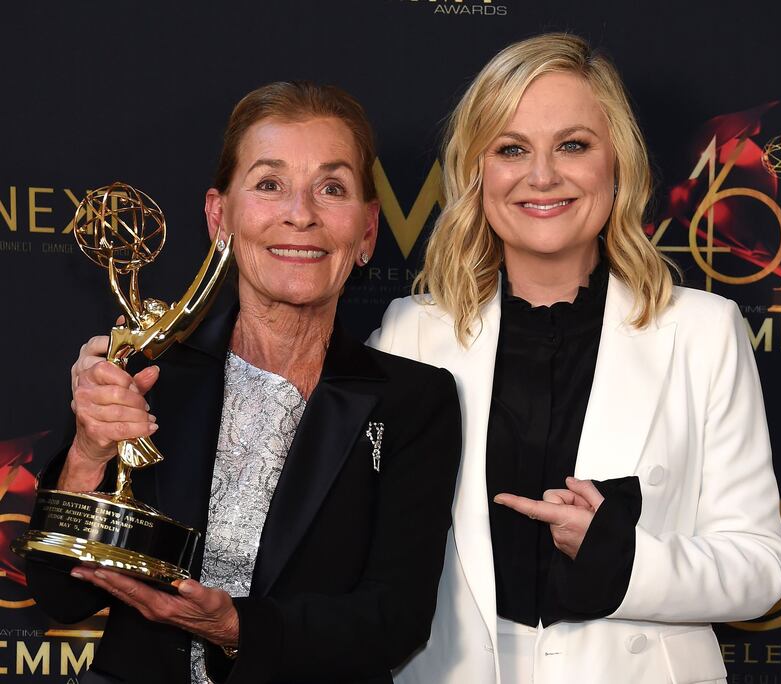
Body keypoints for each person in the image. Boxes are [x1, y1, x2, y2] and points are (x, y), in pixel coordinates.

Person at [369, 33, 781, 684]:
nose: (542, 176)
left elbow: (759, 569)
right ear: (478, 172)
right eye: (512, 149)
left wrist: (623, 559)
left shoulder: (704, 331)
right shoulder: (409, 333)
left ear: (615, 163)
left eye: (573, 145)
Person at [27, 82, 462, 684]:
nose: (300, 213)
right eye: (269, 184)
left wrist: (236, 627)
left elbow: (395, 621)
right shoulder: (147, 373)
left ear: (366, 233)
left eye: (331, 188)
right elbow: (60, 595)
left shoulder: (414, 400)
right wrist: (88, 452)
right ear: (219, 217)